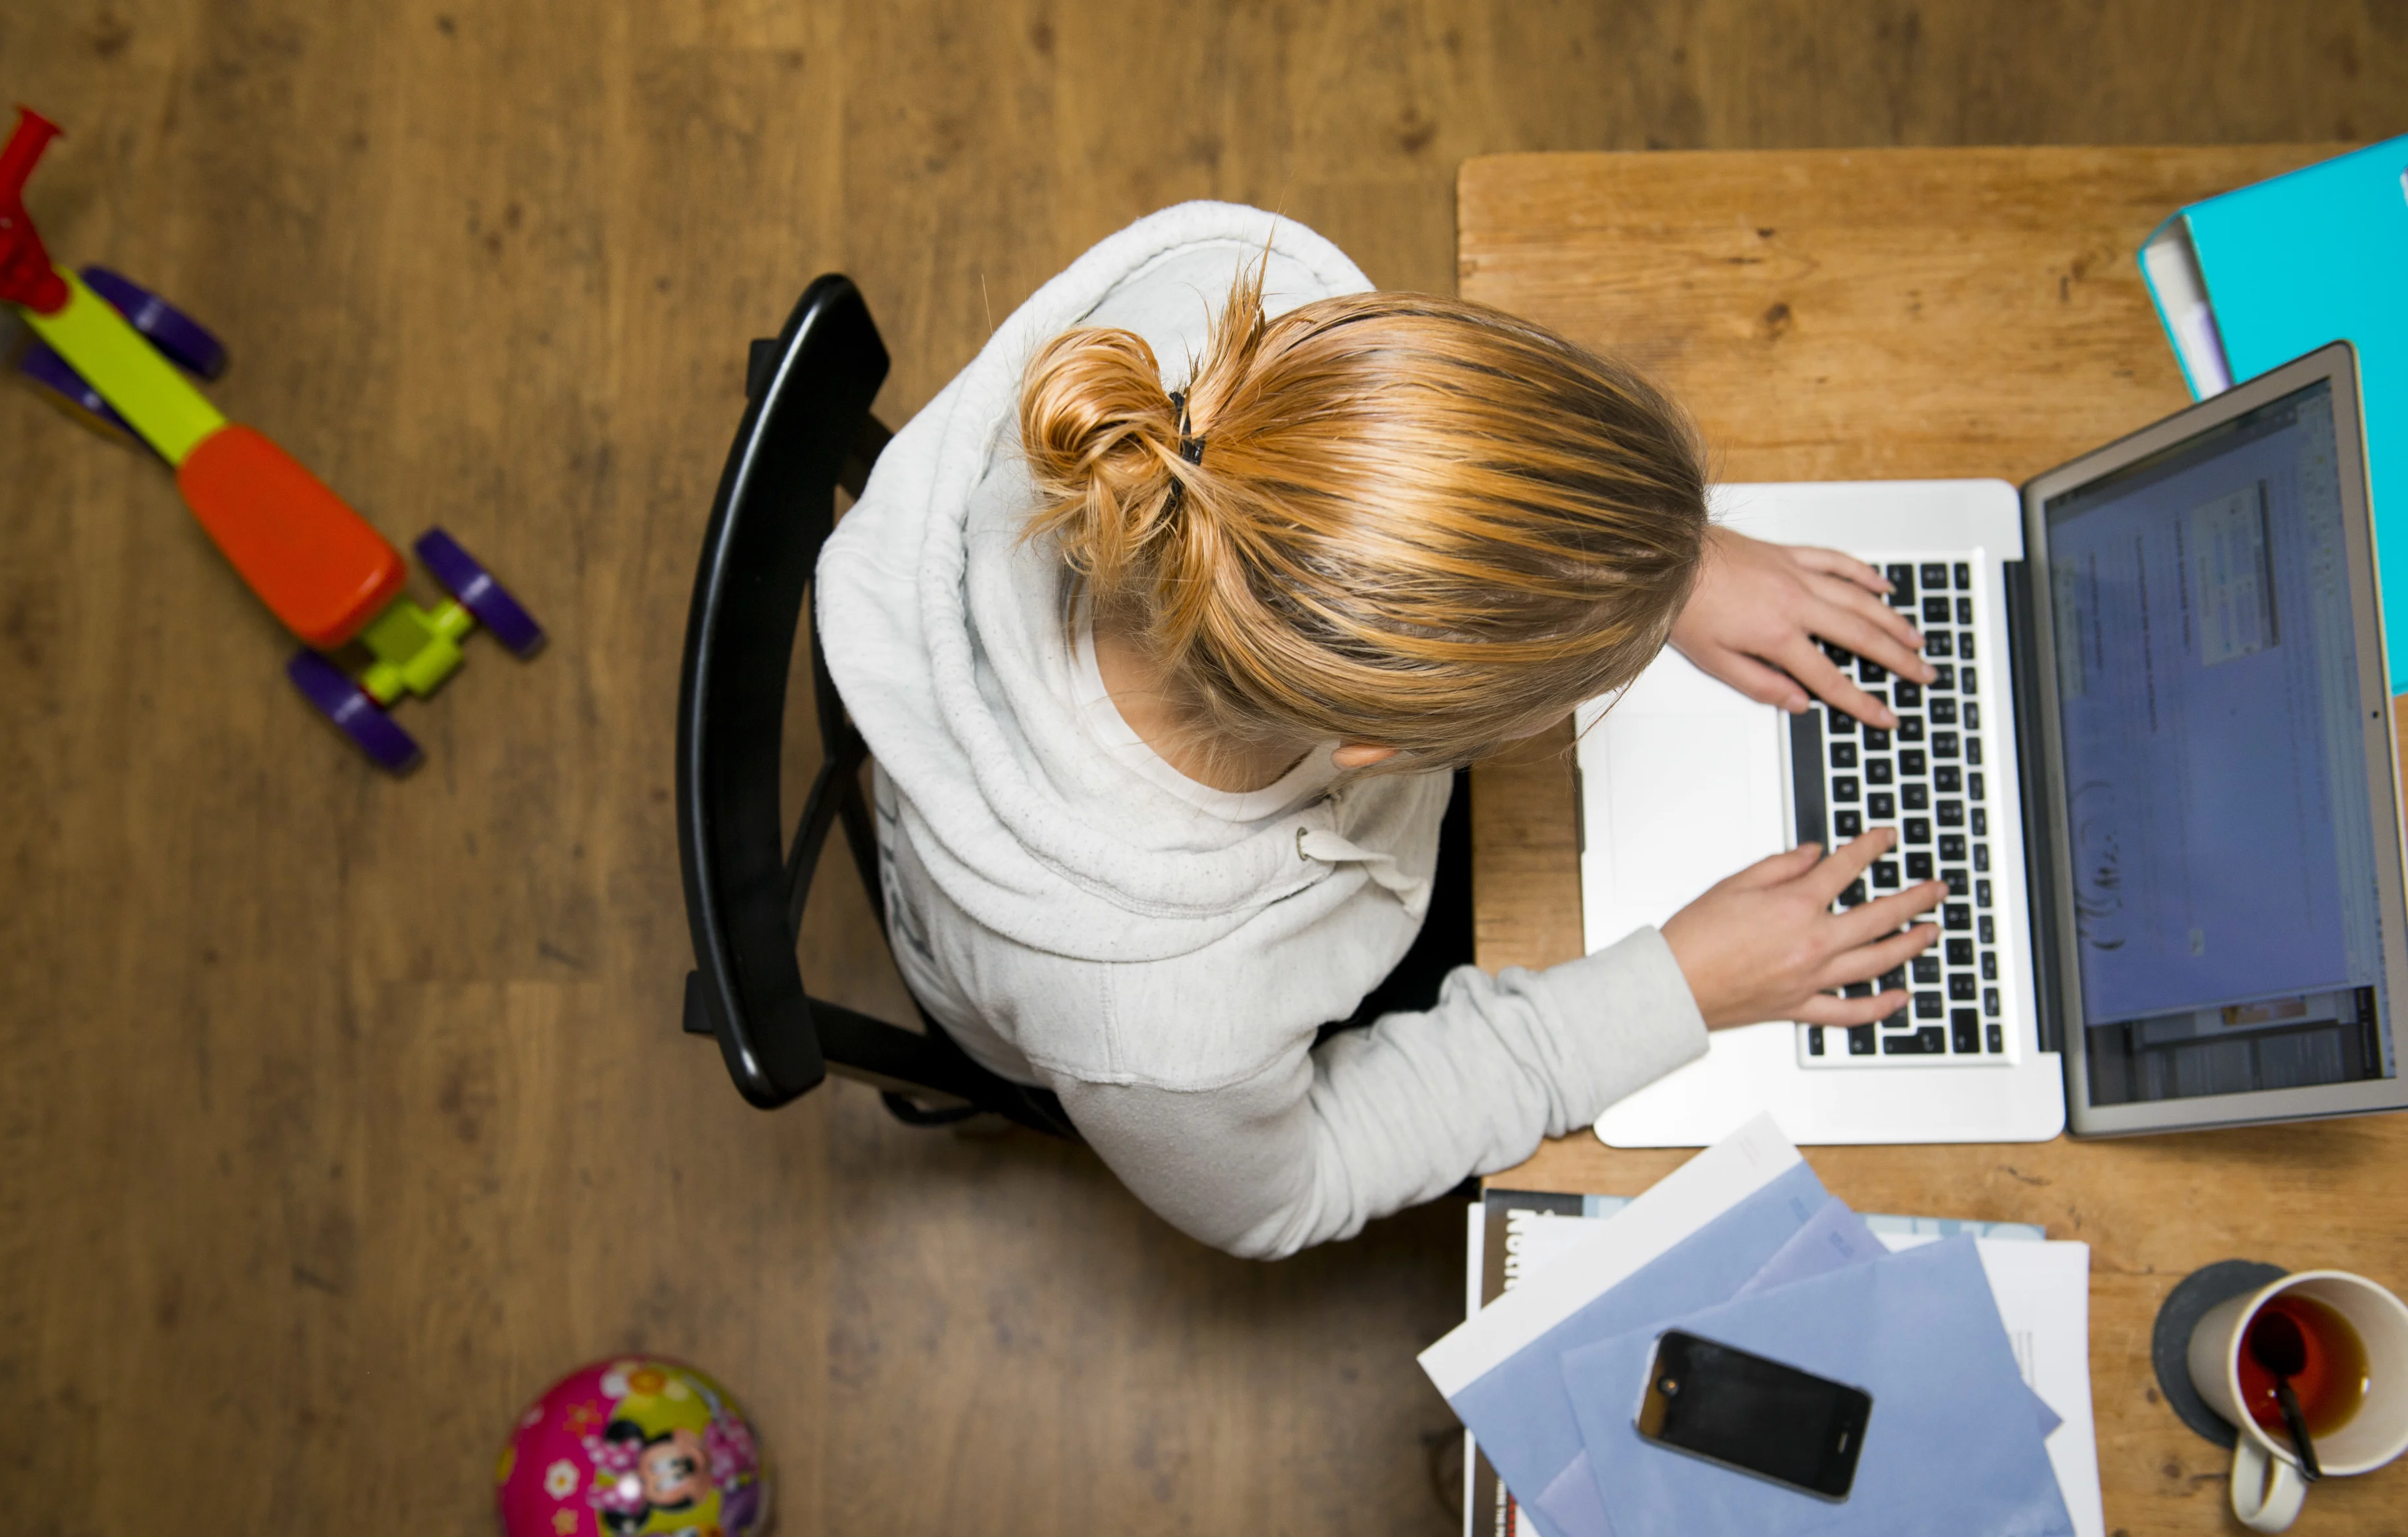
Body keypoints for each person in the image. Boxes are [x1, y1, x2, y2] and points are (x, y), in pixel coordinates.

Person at [816, 203, 1944, 1259]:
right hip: (1137, 979)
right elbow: (1288, 1191)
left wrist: (1647, 556)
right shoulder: (1159, 1034)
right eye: (1584, 691)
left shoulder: (1218, 358)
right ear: (1374, 752)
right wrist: (1677, 992)